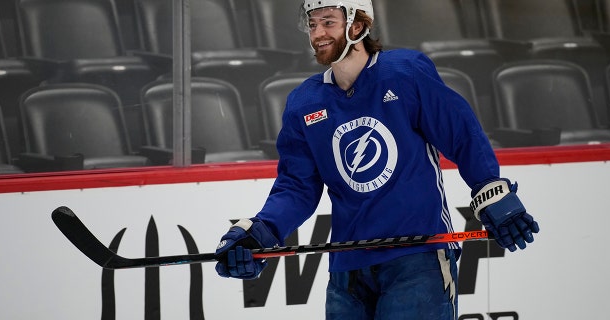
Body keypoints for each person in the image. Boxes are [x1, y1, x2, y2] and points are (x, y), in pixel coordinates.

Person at [214, 1, 540, 319]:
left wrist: (489, 188)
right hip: (347, 266)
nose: (317, 33)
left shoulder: (404, 73)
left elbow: (461, 133)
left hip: (417, 257)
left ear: (358, 25)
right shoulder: (304, 102)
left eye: (328, 22)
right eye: (312, 24)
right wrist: (261, 230)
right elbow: (297, 186)